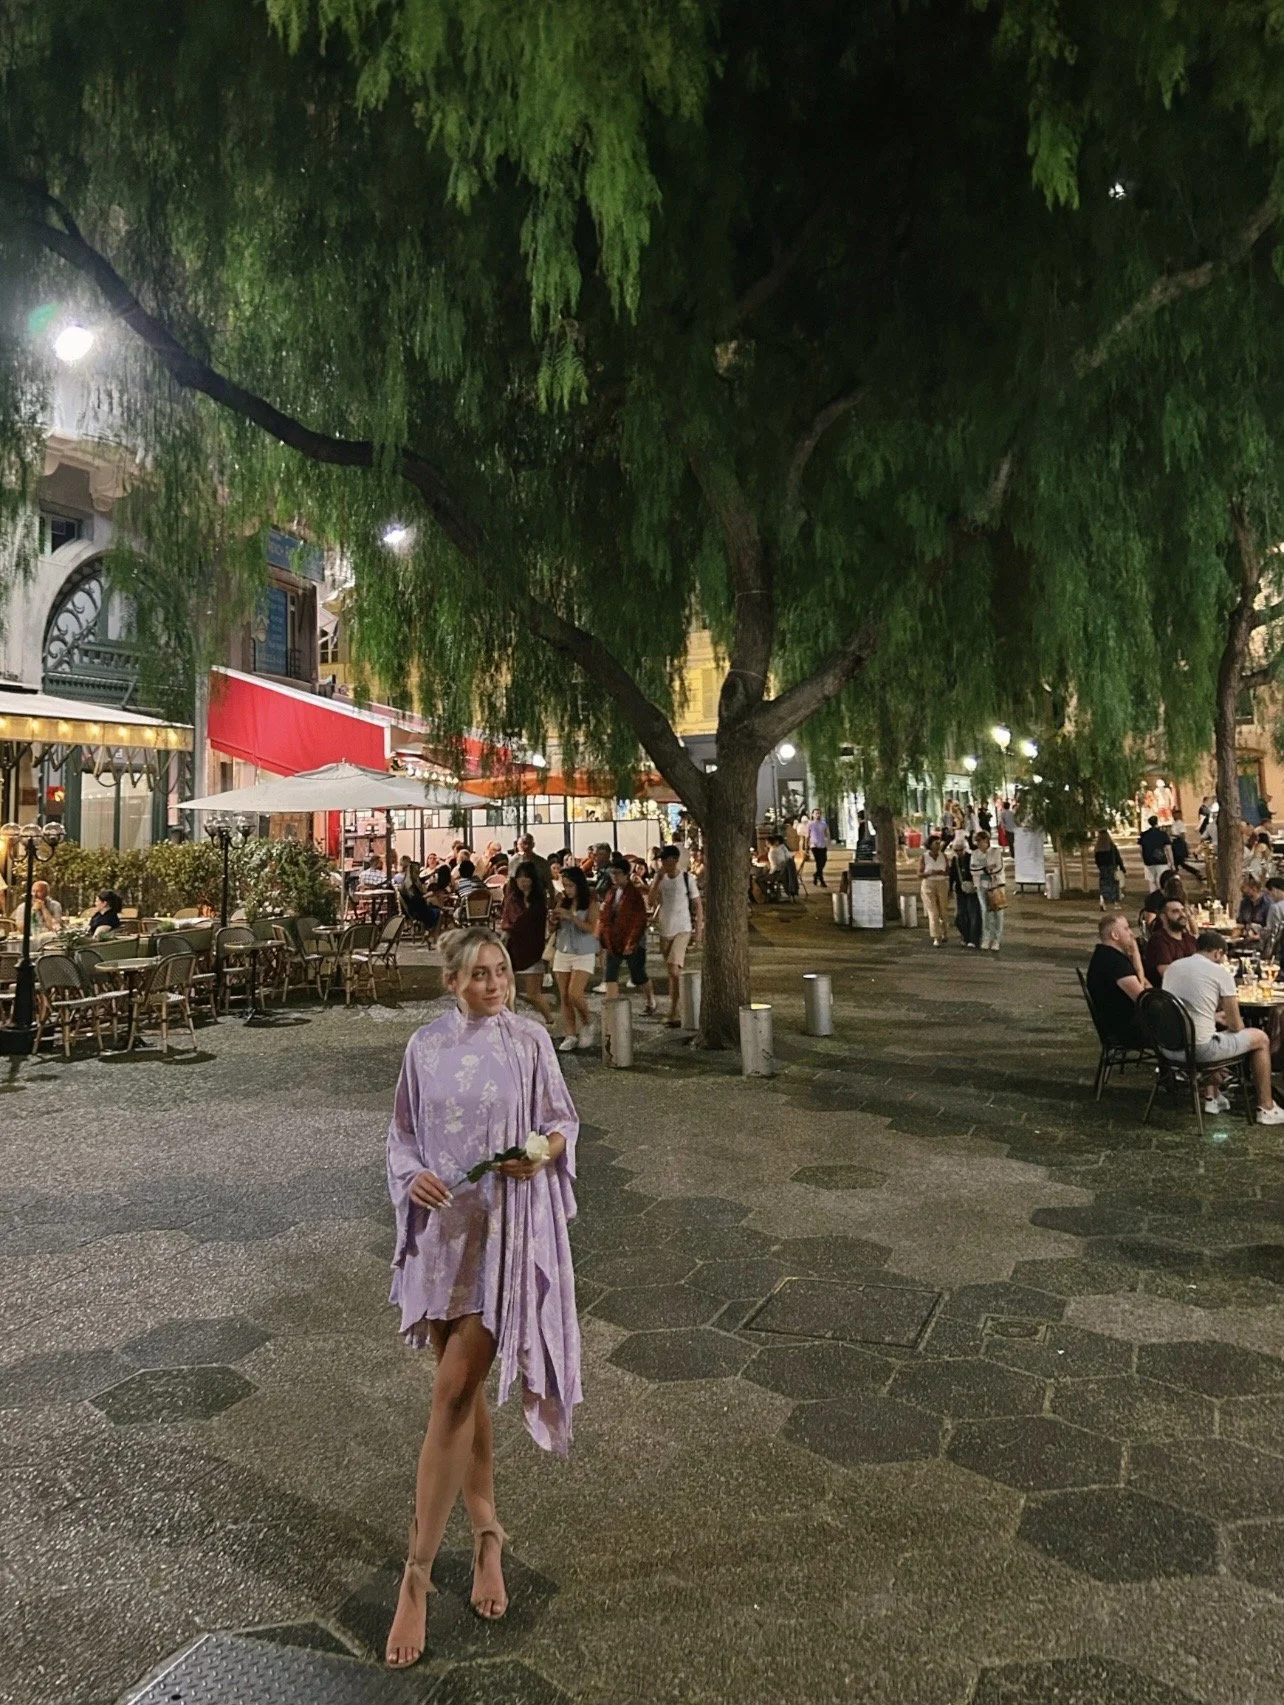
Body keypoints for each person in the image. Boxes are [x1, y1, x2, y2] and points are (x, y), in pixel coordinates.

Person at [383, 926, 581, 1668]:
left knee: (451, 1393)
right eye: (478, 973)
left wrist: (541, 1152)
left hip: (505, 1233)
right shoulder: (423, 1049)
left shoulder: (529, 1042)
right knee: (460, 1400)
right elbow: (401, 1134)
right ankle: (489, 1532)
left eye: (501, 971)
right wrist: (412, 1178)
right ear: (451, 981)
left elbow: (562, 1121)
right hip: (443, 1236)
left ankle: (416, 1576)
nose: (494, 982)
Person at [1162, 930, 1284, 1124]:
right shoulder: (1220, 972)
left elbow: (1182, 1010)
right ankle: (1266, 1107)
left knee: (1214, 1030)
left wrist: (1214, 1016)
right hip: (1200, 1051)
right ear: (1218, 953)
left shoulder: (1173, 968)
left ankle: (1213, 1097)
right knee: (1259, 1038)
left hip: (1169, 1048)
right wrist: (1234, 1022)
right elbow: (1236, 1026)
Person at [648, 845, 703, 1026]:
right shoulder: (661, 879)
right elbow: (651, 900)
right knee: (672, 973)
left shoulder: (687, 879)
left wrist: (698, 931)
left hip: (683, 928)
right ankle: (676, 1009)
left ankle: (676, 1010)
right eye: (662, 860)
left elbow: (697, 905)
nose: (665, 864)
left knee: (673, 968)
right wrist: (658, 878)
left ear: (676, 860)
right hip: (665, 929)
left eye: (668, 860)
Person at [550, 864, 600, 1052]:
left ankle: (587, 1022)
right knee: (563, 996)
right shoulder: (562, 901)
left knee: (575, 993)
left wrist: (571, 917)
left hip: (584, 951)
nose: (568, 889)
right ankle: (570, 1034)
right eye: (565, 885)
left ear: (579, 884)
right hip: (563, 949)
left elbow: (590, 928)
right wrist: (554, 920)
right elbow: (552, 928)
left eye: (571, 885)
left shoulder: (591, 903)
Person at [598, 855, 656, 1017]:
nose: (614, 877)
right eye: (612, 874)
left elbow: (639, 921)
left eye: (617, 873)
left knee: (638, 975)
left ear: (625, 874)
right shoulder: (612, 892)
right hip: (614, 940)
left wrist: (631, 943)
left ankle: (650, 1000)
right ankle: (612, 1011)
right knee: (610, 975)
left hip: (633, 941)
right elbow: (606, 915)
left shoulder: (634, 894)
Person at [498, 861, 552, 1023]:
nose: (523, 881)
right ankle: (512, 1021)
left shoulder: (539, 901)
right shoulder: (512, 900)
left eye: (526, 878)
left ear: (533, 880)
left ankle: (550, 1020)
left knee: (533, 994)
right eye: (520, 878)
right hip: (513, 947)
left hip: (534, 948)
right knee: (508, 991)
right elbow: (507, 924)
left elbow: (544, 927)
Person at [1086, 912, 1149, 1045]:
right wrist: (1136, 958)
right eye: (1126, 928)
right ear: (1115, 935)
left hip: (1117, 1024)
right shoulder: (1114, 962)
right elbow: (1143, 999)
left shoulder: (1104, 955)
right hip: (1126, 1030)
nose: (1131, 933)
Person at [1142, 895, 1197, 984]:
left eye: (1183, 910)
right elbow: (1167, 974)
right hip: (1170, 993)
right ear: (1163, 917)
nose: (1182, 915)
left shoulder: (1188, 938)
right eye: (1176, 912)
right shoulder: (1159, 940)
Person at [971, 829, 1006, 952]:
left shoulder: (996, 852)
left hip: (996, 886)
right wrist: (985, 869)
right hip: (982, 886)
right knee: (985, 912)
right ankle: (986, 938)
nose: (980, 844)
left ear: (987, 841)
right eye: (978, 842)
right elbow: (973, 870)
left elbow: (999, 867)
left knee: (998, 912)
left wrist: (982, 869)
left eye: (981, 841)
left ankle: (996, 939)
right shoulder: (975, 854)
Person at [948, 833, 981, 949]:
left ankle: (973, 939)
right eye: (956, 850)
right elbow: (952, 875)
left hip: (972, 889)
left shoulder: (971, 857)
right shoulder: (954, 860)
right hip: (960, 890)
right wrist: (950, 889)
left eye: (960, 849)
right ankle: (966, 936)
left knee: (973, 914)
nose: (958, 852)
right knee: (961, 915)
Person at [918, 834, 950, 947]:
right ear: (930, 845)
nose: (938, 846)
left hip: (942, 883)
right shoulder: (924, 857)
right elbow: (919, 873)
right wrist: (928, 873)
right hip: (929, 883)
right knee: (933, 912)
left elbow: (948, 871)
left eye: (939, 843)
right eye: (935, 843)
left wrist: (943, 873)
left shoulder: (943, 856)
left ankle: (945, 931)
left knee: (943, 910)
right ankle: (936, 936)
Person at [397, 857, 441, 938]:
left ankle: (429, 933)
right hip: (418, 912)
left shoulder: (406, 883)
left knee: (434, 905)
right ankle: (434, 936)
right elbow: (417, 900)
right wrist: (428, 895)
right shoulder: (411, 886)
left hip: (411, 910)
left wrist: (432, 873)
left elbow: (422, 879)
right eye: (417, 872)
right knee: (439, 912)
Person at [1138, 815, 1172, 892]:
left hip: (1148, 861)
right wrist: (1171, 862)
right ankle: (1162, 896)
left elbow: (1141, 849)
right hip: (1161, 860)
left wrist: (1144, 859)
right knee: (1162, 880)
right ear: (1157, 822)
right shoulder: (1163, 834)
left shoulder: (1144, 835)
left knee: (1151, 880)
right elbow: (1168, 849)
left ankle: (1153, 896)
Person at [515, 834, 553, 901]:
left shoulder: (542, 863)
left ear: (533, 845)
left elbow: (549, 883)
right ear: (518, 845)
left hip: (538, 899)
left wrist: (552, 899)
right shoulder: (513, 862)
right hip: (518, 899)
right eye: (523, 843)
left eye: (529, 843)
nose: (526, 846)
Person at [1094, 829, 1126, 909]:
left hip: (1102, 868)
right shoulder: (1111, 846)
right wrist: (1122, 867)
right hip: (1112, 867)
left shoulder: (1098, 848)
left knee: (1103, 884)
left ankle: (1103, 901)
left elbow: (1097, 860)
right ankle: (1115, 902)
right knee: (1114, 884)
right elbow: (1117, 857)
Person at [806, 808, 831, 887]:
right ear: (813, 815)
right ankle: (821, 879)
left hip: (822, 845)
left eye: (819, 813)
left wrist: (828, 843)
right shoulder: (810, 824)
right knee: (818, 862)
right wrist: (806, 847)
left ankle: (816, 875)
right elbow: (807, 836)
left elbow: (827, 834)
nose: (818, 815)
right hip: (814, 845)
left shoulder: (824, 824)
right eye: (816, 813)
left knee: (823, 861)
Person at [1261, 876, 1284, 964]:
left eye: (1269, 893)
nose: (1270, 896)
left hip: (1280, 948)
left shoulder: (1275, 908)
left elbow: (1271, 930)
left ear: (1274, 890)